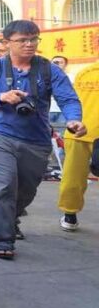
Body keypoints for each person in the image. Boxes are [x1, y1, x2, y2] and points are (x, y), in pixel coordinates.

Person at [0, 20, 86, 260]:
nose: (29, 44)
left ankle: (11, 217)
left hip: (36, 139)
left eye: (34, 39)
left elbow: (68, 98)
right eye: (22, 40)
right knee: (2, 185)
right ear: (7, 43)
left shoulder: (49, 69)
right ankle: (2, 238)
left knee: (27, 189)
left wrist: (74, 119)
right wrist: (1, 97)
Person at [57, 59, 98, 231]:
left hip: (77, 130)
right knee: (72, 176)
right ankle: (69, 213)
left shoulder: (85, 72)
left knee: (72, 176)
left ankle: (70, 215)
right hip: (84, 131)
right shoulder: (85, 72)